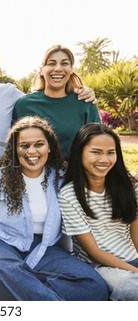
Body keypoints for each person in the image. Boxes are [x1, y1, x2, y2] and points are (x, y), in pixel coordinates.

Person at [0, 116, 108, 300]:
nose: (31, 151)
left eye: (39, 144)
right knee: (1, 267)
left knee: (94, 286)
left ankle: (0, 287)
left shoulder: (61, 177)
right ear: (14, 149)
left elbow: (98, 185)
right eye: (24, 146)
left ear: (50, 146)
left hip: (43, 247)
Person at [0, 45, 96, 237]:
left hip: (3, 177)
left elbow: (43, 103)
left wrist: (86, 91)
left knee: (4, 231)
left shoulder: (12, 94)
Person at [59, 123, 138, 300]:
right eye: (96, 152)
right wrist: (135, 272)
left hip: (132, 258)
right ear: (80, 153)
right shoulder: (69, 195)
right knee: (129, 287)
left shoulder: (130, 187)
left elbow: (136, 234)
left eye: (110, 152)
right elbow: (94, 251)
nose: (104, 159)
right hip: (99, 265)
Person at [13, 44, 100, 159]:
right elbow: (14, 146)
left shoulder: (84, 103)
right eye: (51, 63)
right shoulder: (24, 105)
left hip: (73, 174)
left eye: (64, 63)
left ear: (71, 70)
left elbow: (97, 146)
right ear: (42, 70)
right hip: (35, 174)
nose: (58, 68)